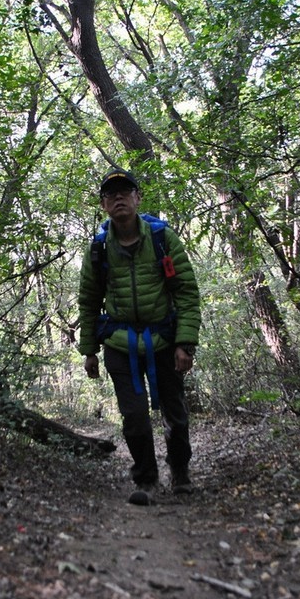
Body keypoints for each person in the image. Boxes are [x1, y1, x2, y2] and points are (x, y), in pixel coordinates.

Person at [77, 167, 201, 505]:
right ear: (103, 205)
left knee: (174, 413)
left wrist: (185, 343)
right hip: (120, 344)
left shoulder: (162, 239)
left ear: (137, 198)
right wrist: (89, 351)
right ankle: (145, 479)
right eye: (111, 194)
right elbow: (88, 300)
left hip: (163, 338)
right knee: (133, 416)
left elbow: (186, 291)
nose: (119, 197)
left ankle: (180, 472)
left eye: (125, 191)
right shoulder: (99, 248)